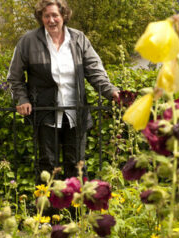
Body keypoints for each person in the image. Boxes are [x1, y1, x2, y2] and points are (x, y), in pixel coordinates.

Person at [7, 0, 119, 181]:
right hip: (45, 114)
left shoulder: (78, 39)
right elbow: (14, 77)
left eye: (55, 15)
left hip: (76, 112)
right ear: (41, 18)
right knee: (47, 165)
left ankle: (76, 208)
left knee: (76, 164)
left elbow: (95, 71)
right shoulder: (28, 41)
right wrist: (22, 99)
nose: (51, 20)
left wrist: (111, 91)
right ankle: (48, 208)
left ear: (64, 16)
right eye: (46, 16)